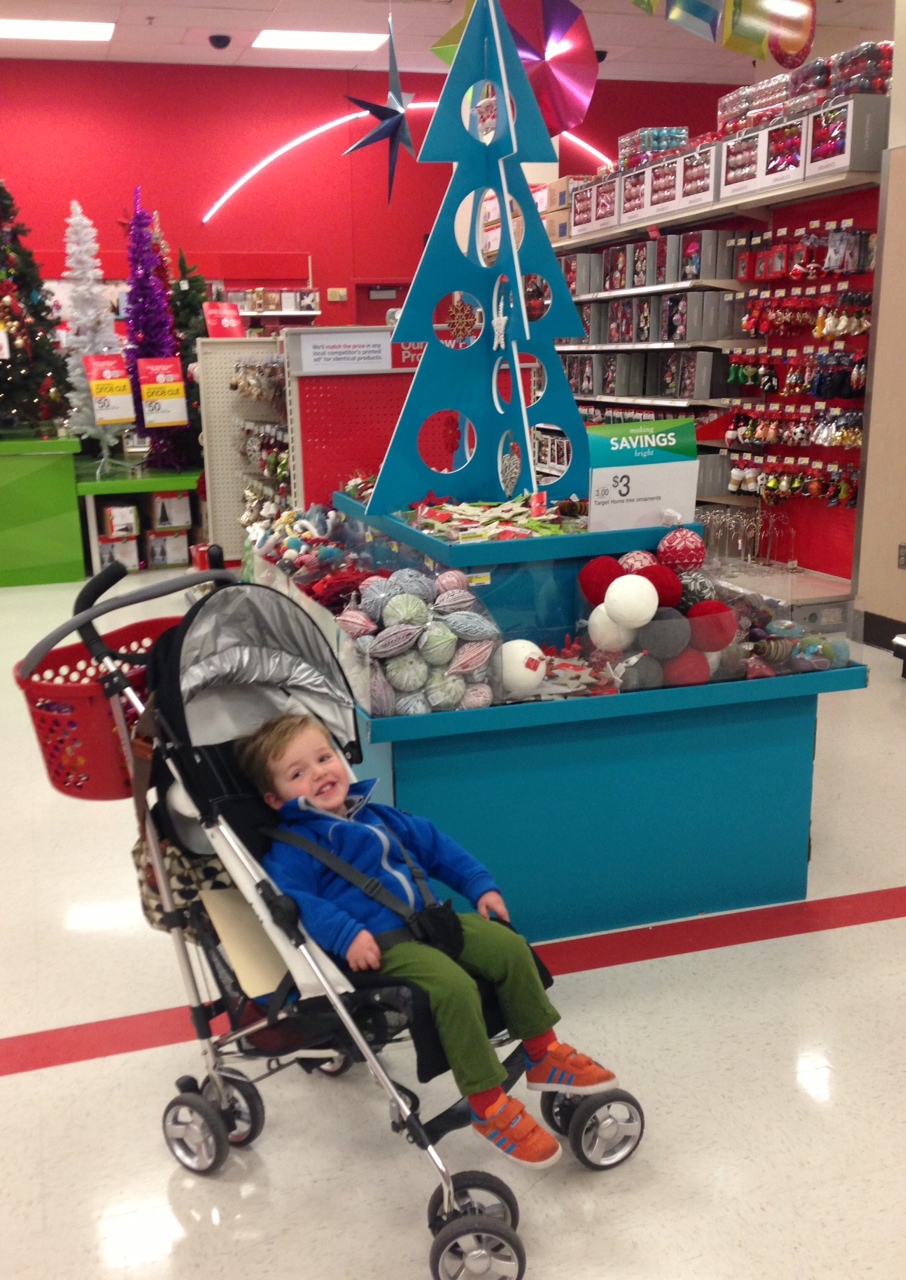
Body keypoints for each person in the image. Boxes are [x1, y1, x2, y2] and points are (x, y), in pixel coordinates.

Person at [237, 712, 617, 1168]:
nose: (319, 773)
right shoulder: (290, 850)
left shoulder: (378, 816)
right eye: (298, 773)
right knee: (452, 986)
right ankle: (488, 1104)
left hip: (434, 921)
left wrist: (478, 884)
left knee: (509, 947)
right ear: (275, 799)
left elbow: (437, 848)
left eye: (324, 757)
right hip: (381, 946)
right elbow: (299, 902)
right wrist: (345, 933)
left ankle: (544, 1053)